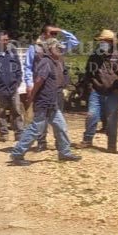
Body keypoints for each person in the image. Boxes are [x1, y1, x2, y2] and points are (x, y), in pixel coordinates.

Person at [9, 37, 81, 165]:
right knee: (35, 129)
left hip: (51, 102)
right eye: (56, 47)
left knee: (61, 126)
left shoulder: (55, 62)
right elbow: (39, 81)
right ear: (49, 49)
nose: (59, 49)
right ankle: (17, 154)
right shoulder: (46, 62)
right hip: (44, 101)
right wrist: (31, 97)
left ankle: (64, 152)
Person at [23, 24, 79, 152]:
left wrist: (62, 30)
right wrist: (29, 84)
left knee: (58, 117)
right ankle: (41, 142)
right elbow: (27, 67)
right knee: (41, 118)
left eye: (55, 33)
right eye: (51, 33)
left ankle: (60, 144)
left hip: (57, 87)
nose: (54, 35)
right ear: (44, 34)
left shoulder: (58, 47)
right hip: (41, 88)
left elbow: (75, 42)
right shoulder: (34, 48)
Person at [82, 29, 118, 152]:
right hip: (97, 90)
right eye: (101, 41)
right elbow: (88, 74)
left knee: (112, 118)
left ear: (111, 42)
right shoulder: (94, 56)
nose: (103, 43)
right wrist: (90, 88)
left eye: (106, 41)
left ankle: (112, 145)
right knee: (91, 115)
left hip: (113, 92)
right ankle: (87, 140)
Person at [0, 31, 24, 142]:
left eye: (7, 39)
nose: (6, 42)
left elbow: (19, 69)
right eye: (4, 40)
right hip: (0, 88)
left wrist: (18, 81)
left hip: (13, 87)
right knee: (1, 112)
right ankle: (4, 134)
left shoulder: (12, 52)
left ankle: (19, 133)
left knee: (16, 111)